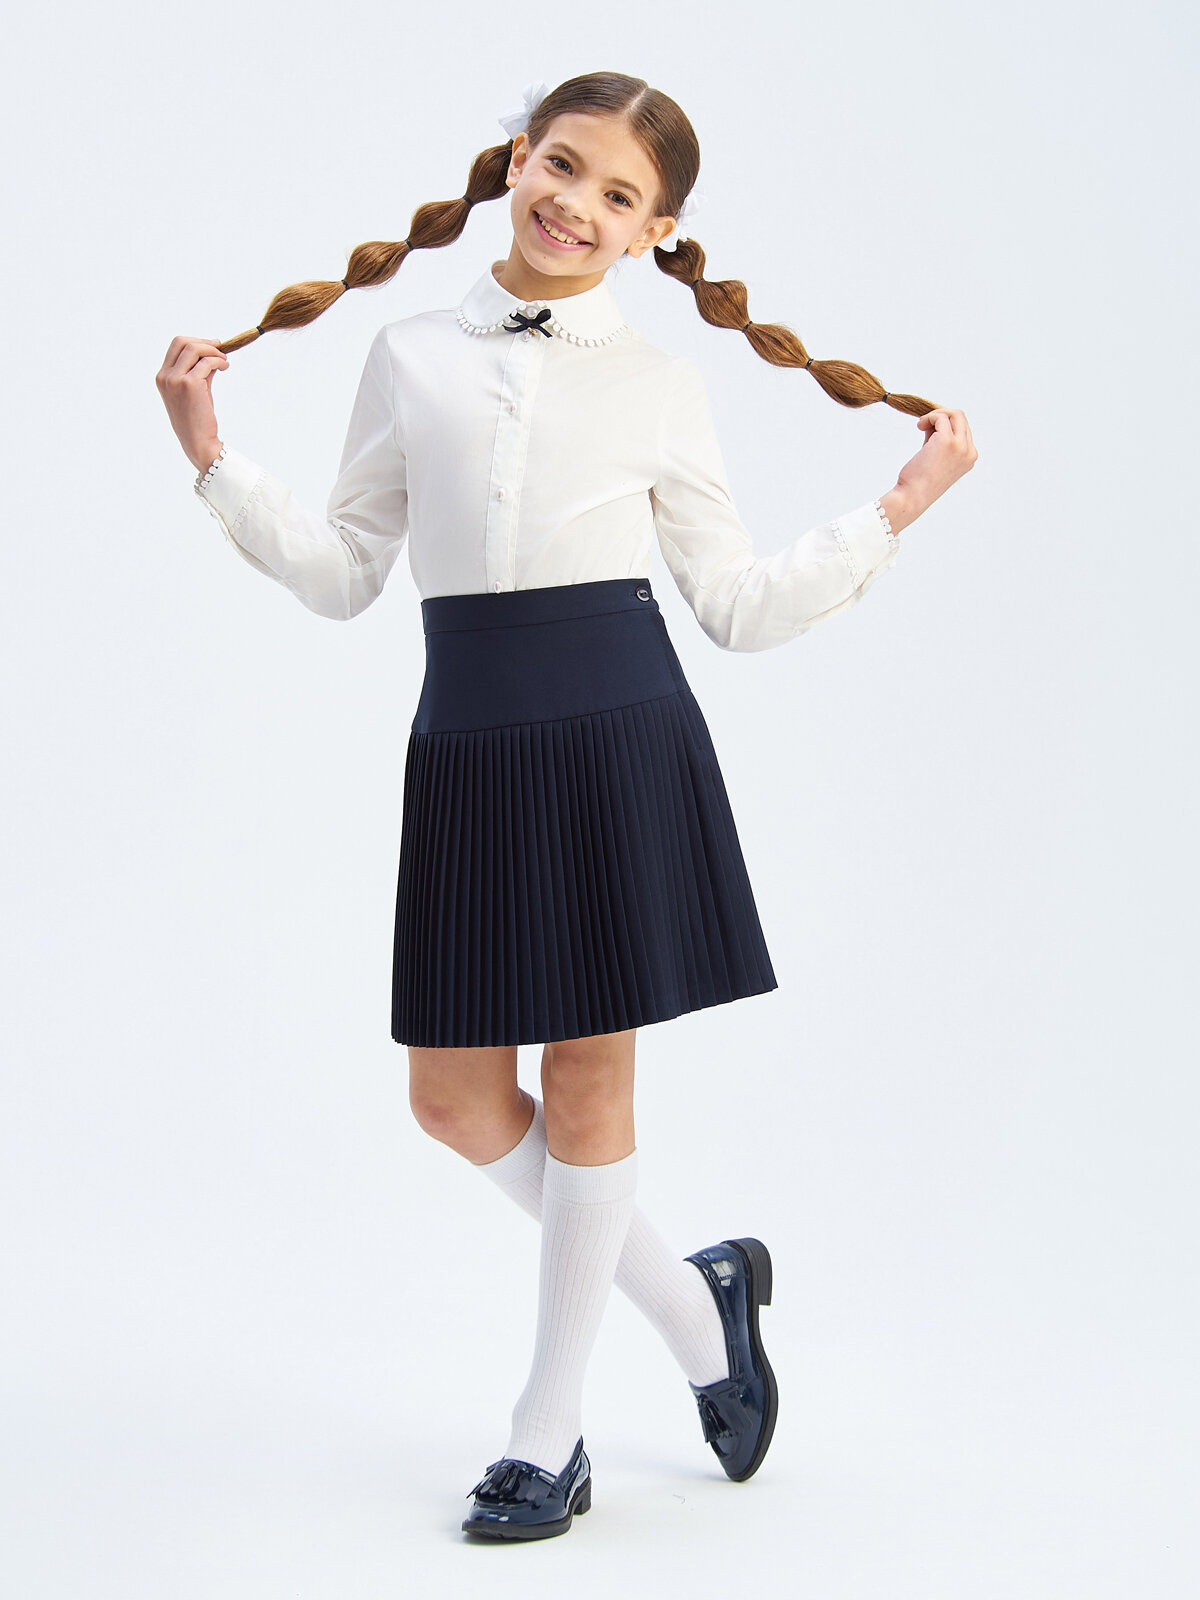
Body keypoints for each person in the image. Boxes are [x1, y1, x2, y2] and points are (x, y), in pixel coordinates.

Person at [156, 71, 977, 1542]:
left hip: (615, 738)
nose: (575, 205)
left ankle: (550, 1434)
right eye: (562, 164)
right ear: (514, 162)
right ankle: (702, 1306)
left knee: (592, 1080)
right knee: (451, 1098)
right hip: (470, 740)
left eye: (617, 195)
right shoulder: (410, 353)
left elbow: (735, 605)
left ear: (655, 231)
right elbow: (346, 574)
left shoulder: (659, 383)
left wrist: (898, 508)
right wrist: (212, 456)